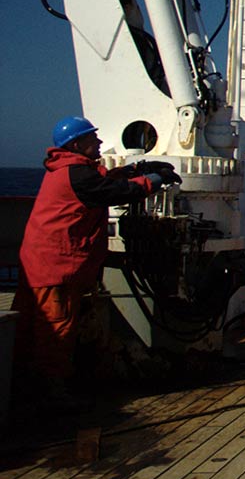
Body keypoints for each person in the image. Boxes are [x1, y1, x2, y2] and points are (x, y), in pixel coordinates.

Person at [15, 116, 180, 407]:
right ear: (77, 144)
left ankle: (23, 384)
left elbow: (103, 180)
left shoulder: (70, 170)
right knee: (55, 328)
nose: (100, 142)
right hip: (57, 266)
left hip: (41, 262)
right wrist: (153, 180)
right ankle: (51, 394)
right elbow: (113, 192)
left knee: (31, 325)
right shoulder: (77, 175)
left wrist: (135, 170)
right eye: (93, 138)